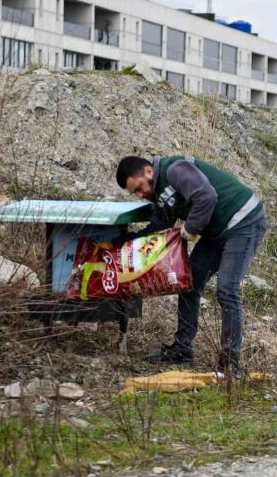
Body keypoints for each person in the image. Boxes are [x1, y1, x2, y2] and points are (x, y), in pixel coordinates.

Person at [112, 155, 267, 373]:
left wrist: (191, 228)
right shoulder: (160, 197)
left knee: (227, 288)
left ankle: (230, 364)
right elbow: (156, 231)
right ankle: (182, 349)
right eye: (135, 193)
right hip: (217, 231)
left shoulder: (175, 170)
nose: (140, 195)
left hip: (244, 221)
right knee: (189, 282)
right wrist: (125, 243)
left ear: (148, 171)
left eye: (139, 188)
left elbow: (206, 196)